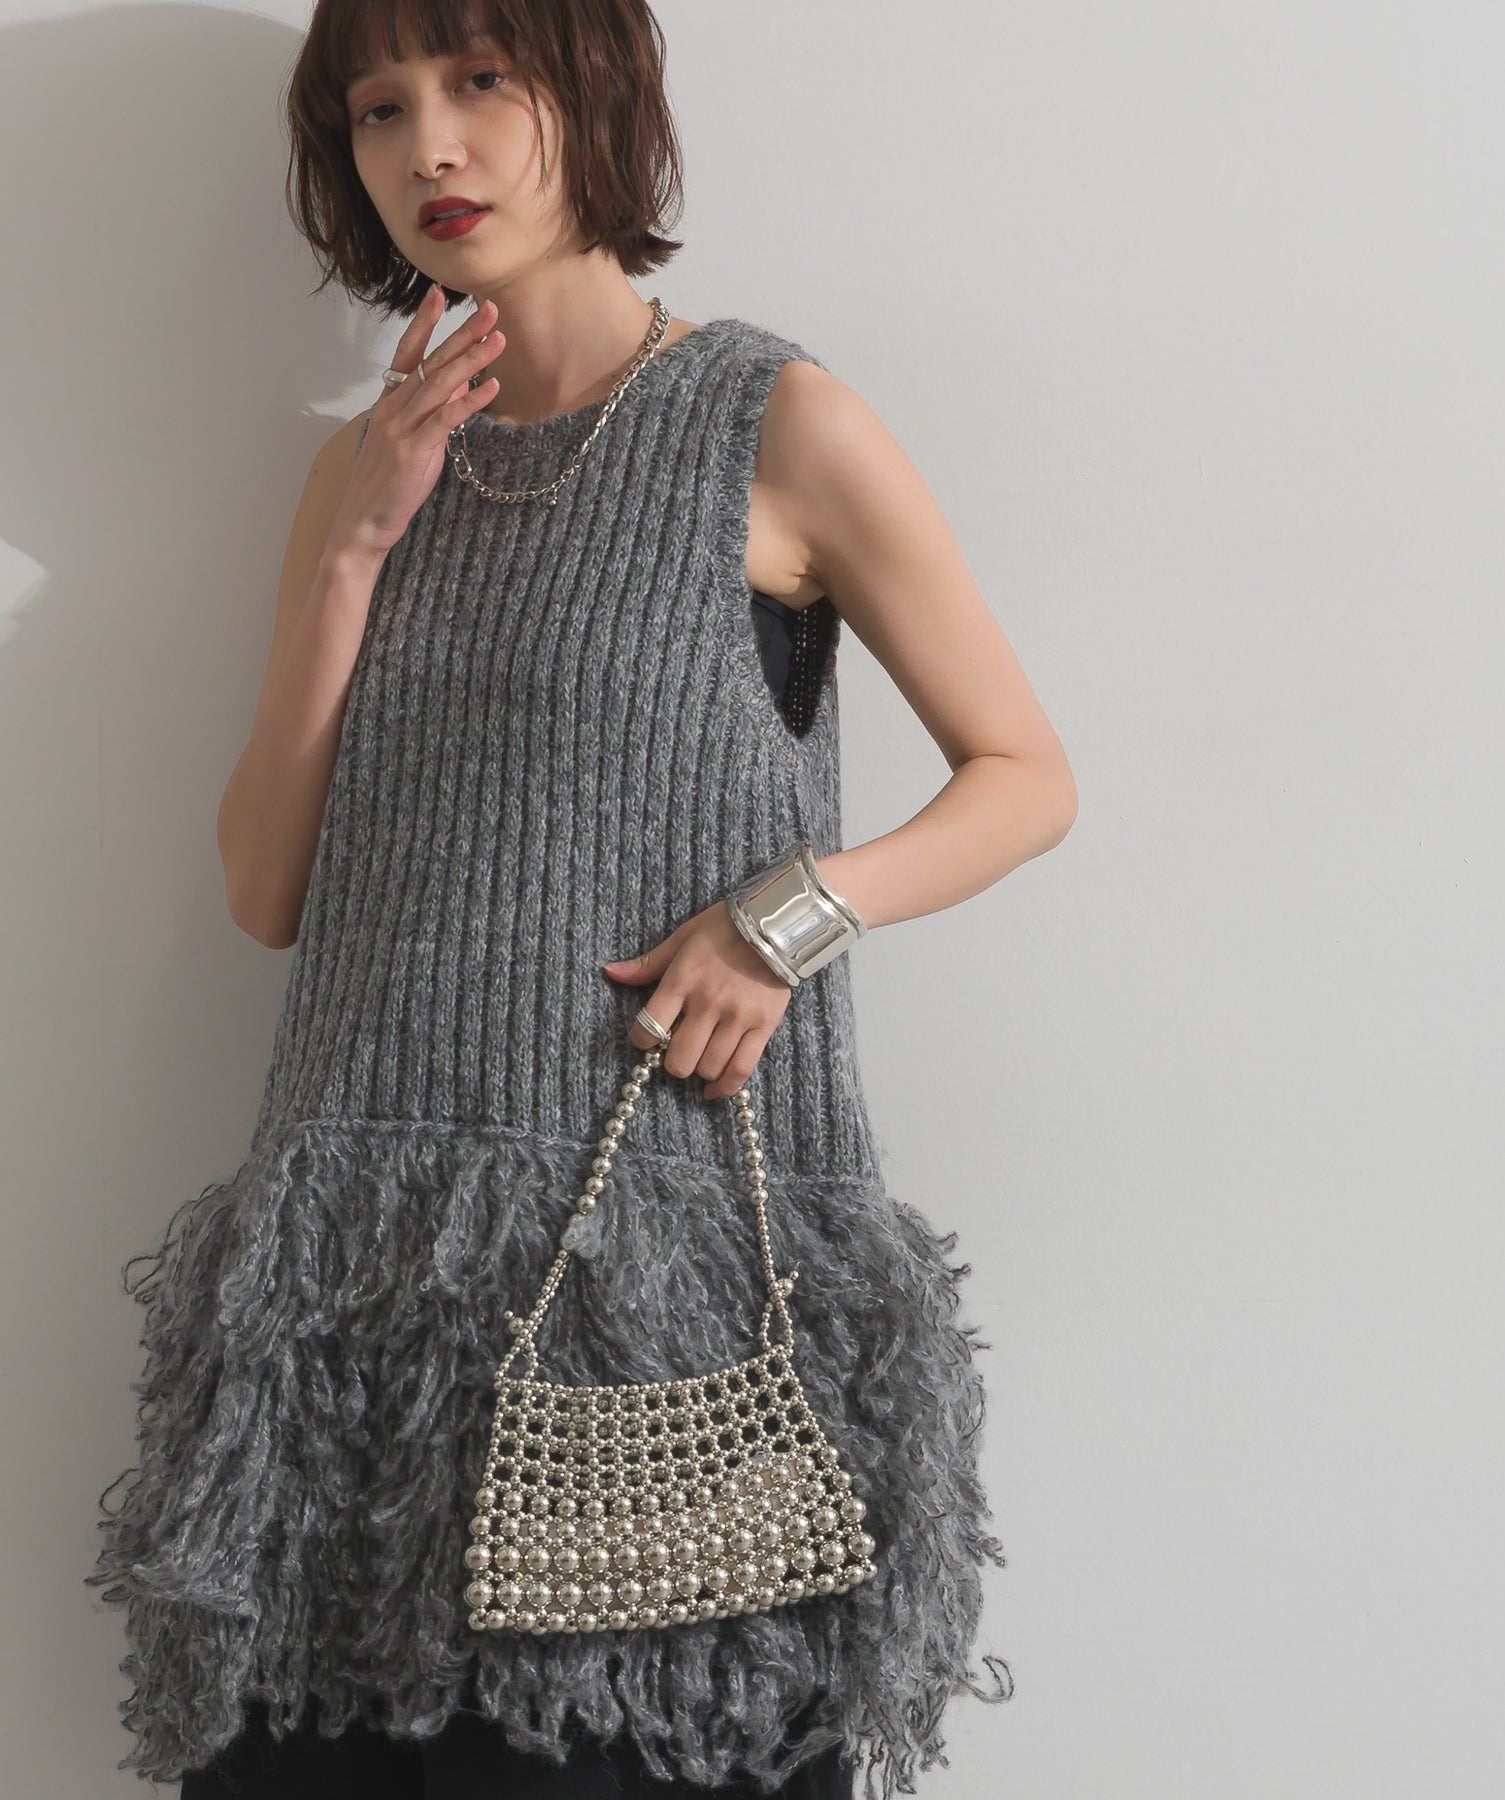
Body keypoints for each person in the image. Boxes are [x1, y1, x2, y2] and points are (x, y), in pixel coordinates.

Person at [85, 2, 1077, 1796]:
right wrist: (360, 543)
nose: (427, 147)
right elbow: (264, 885)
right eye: (378, 108)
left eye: (481, 81)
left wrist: (784, 920)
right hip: (359, 1297)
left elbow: (1022, 777)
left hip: (656, 1284)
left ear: (596, 93)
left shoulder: (772, 420)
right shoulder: (359, 466)